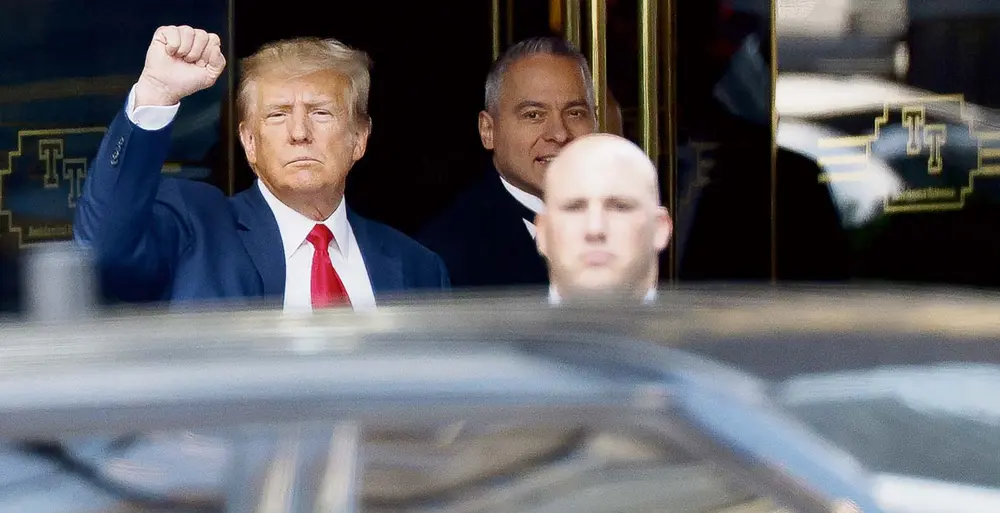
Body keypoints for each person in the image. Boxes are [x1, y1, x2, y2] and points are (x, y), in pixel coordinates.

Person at [75, 26, 449, 311]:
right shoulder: (198, 229)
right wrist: (156, 92)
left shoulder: (418, 267)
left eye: (320, 113)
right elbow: (101, 252)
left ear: (359, 138)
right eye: (277, 115)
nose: (299, 133)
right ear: (249, 142)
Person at [416, 37, 597, 289]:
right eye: (534, 115)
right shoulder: (445, 253)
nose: (559, 133)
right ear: (488, 130)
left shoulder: (628, 228)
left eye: (575, 113)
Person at [535, 133, 672, 304]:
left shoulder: (707, 330)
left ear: (660, 229)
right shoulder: (497, 330)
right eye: (574, 208)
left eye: (620, 207)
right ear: (541, 232)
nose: (595, 228)